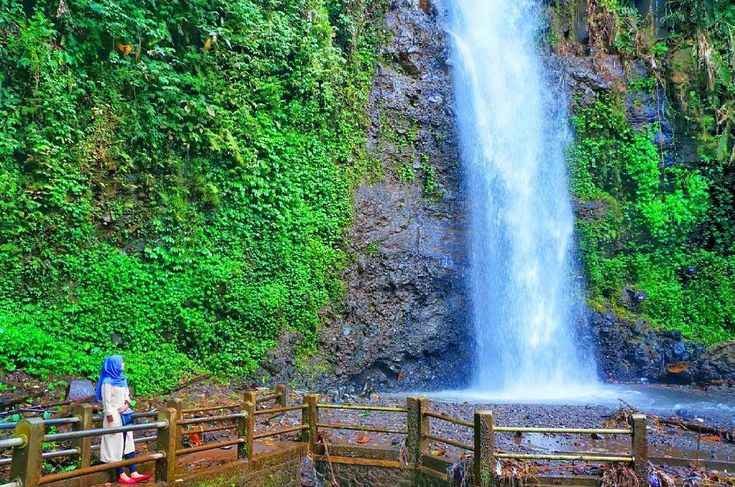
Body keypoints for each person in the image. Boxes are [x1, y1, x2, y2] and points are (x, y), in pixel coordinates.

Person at [96, 355, 151, 485]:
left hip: (125, 414)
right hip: (114, 417)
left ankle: (133, 471)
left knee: (128, 442)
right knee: (116, 444)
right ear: (114, 365)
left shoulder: (123, 379)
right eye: (121, 362)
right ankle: (121, 473)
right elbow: (106, 401)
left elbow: (127, 395)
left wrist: (127, 404)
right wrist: (110, 414)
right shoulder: (107, 382)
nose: (123, 364)